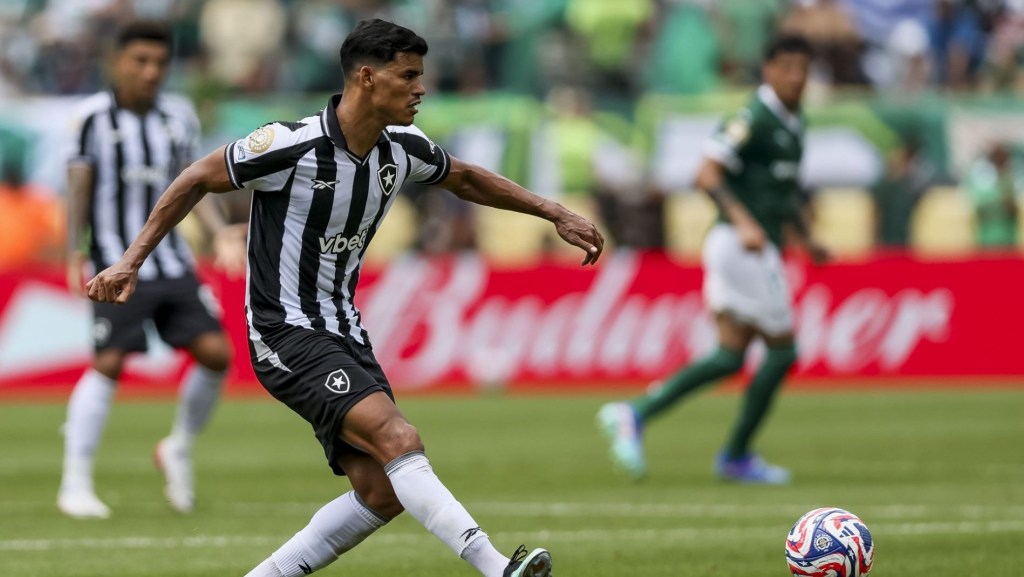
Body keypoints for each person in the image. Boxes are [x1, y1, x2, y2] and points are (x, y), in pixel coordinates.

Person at [87, 19, 603, 577]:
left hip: (346, 331)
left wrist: (554, 211)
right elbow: (194, 178)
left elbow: (467, 178)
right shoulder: (288, 145)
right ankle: (498, 567)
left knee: (381, 491)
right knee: (398, 436)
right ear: (366, 77)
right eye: (407, 76)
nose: (420, 88)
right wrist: (130, 261)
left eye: (420, 76)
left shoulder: (402, 150)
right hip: (284, 330)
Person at [597, 34, 828, 484]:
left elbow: (781, 193)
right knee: (783, 351)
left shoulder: (794, 121)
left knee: (730, 356)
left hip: (751, 247)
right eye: (788, 67)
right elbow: (706, 172)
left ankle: (635, 414)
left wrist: (806, 236)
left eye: (804, 68)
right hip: (741, 246)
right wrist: (743, 220)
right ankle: (737, 455)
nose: (797, 77)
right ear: (769, 69)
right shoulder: (753, 117)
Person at [60, 21, 246, 519]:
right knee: (110, 362)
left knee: (215, 353)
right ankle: (74, 482)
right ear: (117, 62)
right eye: (140, 61)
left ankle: (178, 446)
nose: (150, 72)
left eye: (159, 63)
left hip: (171, 261)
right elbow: (77, 190)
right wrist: (73, 254)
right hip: (112, 262)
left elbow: (196, 186)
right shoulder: (92, 118)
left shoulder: (177, 117)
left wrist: (221, 231)